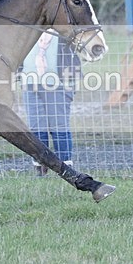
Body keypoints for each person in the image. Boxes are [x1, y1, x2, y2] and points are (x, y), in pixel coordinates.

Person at [21, 31, 80, 175]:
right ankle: (41, 168)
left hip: (59, 84)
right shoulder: (29, 28)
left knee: (59, 127)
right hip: (30, 83)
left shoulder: (63, 28)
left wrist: (71, 84)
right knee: (36, 128)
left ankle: (66, 170)